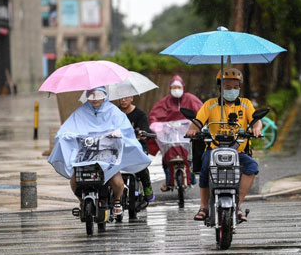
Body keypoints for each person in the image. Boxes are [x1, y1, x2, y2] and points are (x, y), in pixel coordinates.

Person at [48, 86, 151, 216]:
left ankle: (117, 200)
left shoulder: (114, 112)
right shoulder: (80, 112)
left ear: (104, 95)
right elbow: (67, 129)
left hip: (107, 157)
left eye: (98, 94)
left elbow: (125, 129)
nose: (95, 98)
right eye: (92, 95)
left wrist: (116, 134)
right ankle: (81, 201)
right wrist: (65, 136)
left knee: (117, 182)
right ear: (87, 95)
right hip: (85, 157)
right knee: (75, 181)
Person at [186, 68, 262, 222]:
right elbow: (197, 123)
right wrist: (193, 130)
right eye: (227, 87)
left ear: (239, 88)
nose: (231, 90)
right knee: (205, 167)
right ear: (220, 88)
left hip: (237, 151)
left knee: (252, 167)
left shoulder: (246, 104)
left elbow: (256, 121)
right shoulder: (210, 105)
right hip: (214, 150)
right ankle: (203, 207)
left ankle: (238, 205)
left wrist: (256, 129)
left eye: (235, 87)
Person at [148, 75, 203, 191]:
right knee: (165, 155)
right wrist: (156, 126)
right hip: (170, 135)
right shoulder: (165, 102)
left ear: (183, 87)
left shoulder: (191, 99)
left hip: (187, 134)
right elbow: (154, 115)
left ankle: (191, 174)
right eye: (174, 87)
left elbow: (201, 113)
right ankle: (168, 178)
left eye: (178, 87)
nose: (176, 89)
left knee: (193, 153)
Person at [118, 96, 155, 202]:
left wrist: (142, 133)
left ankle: (147, 186)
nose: (123, 100)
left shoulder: (140, 114)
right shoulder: (114, 113)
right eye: (121, 98)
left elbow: (145, 130)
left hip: (138, 146)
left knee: (141, 164)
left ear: (131, 98)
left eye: (126, 98)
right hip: (119, 147)